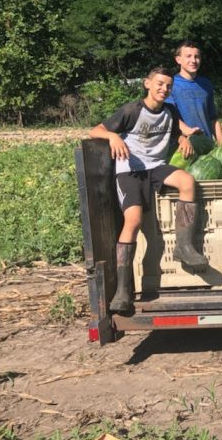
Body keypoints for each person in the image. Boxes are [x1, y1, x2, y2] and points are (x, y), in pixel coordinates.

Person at [89, 66, 209, 314]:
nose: (164, 89)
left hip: (156, 168)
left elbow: (177, 131)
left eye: (168, 86)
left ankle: (184, 247)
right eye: (159, 84)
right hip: (131, 172)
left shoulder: (170, 111)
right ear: (147, 84)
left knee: (187, 181)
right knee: (132, 221)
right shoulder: (132, 110)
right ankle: (123, 290)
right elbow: (96, 130)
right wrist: (112, 137)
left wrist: (183, 138)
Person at [168, 40, 222, 144]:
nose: (193, 60)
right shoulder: (170, 84)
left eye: (197, 56)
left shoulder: (206, 84)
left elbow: (213, 119)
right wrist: (188, 132)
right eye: (188, 56)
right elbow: (169, 116)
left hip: (207, 145)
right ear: (178, 59)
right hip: (182, 147)